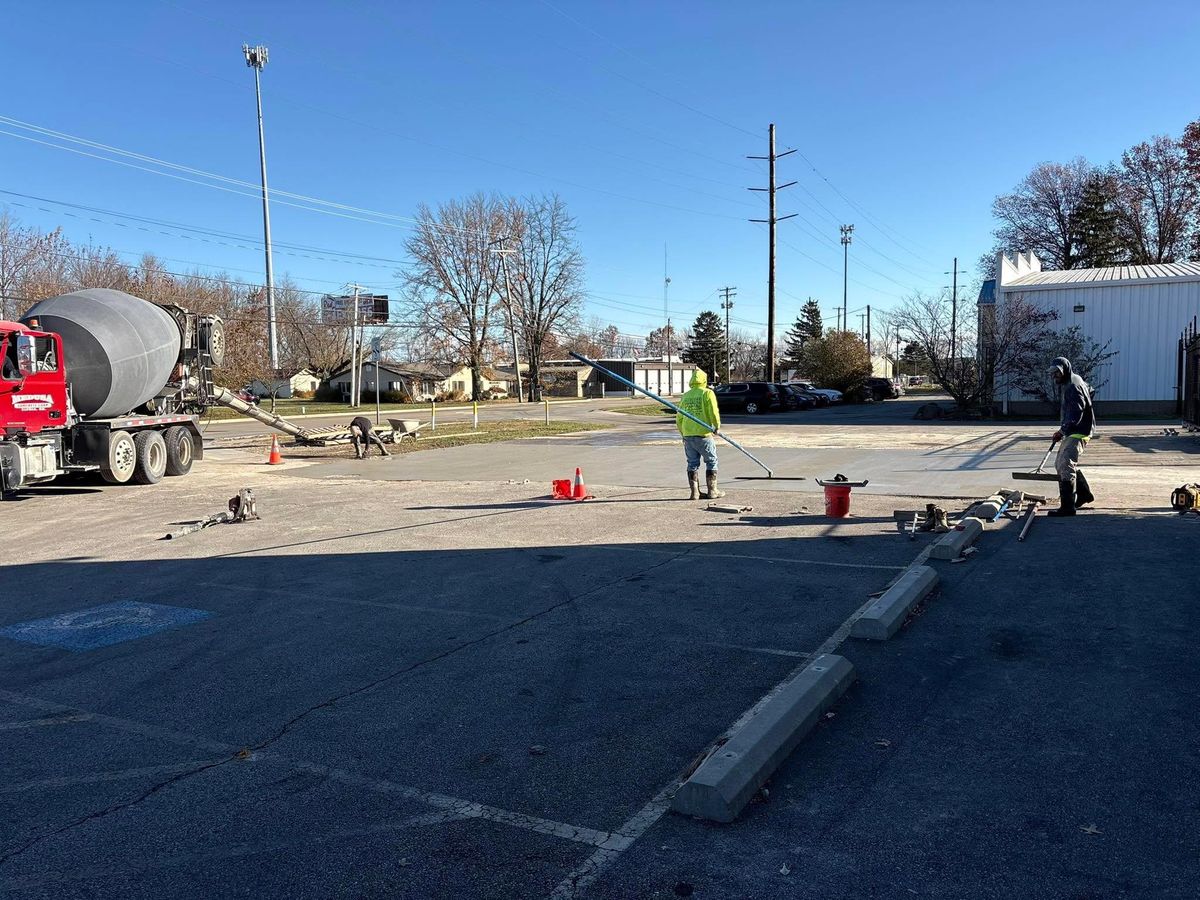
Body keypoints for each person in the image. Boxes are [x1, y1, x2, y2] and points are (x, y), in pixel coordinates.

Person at [1046, 356, 1095, 517]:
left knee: (1065, 464)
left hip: (1078, 431)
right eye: (1053, 373)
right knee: (1060, 464)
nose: (1054, 376)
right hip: (1076, 429)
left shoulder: (1073, 386)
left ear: (1065, 370)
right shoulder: (1075, 380)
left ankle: (1067, 507)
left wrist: (1062, 431)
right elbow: (1091, 390)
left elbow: (1076, 413)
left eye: (1057, 373)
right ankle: (1084, 494)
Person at [676, 369, 723, 500]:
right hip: (703, 434)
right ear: (704, 380)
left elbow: (679, 418)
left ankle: (695, 493)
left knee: (692, 463)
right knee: (711, 461)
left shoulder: (686, 396)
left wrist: (683, 433)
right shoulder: (707, 393)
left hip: (688, 435)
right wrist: (717, 426)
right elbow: (713, 411)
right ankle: (712, 491)